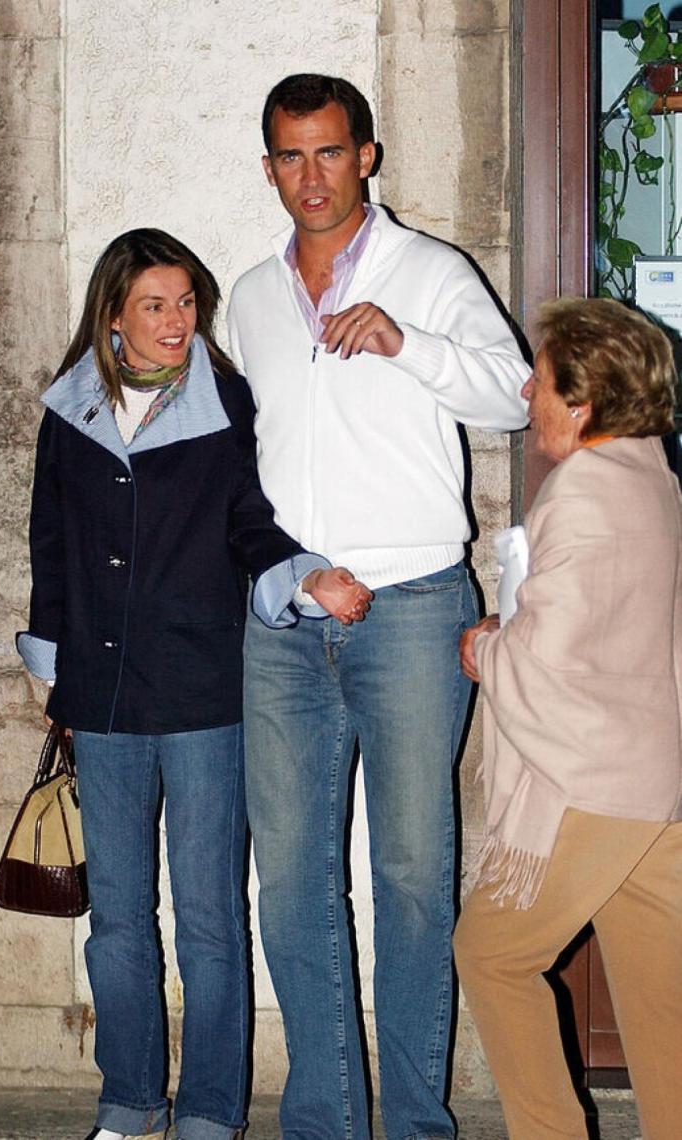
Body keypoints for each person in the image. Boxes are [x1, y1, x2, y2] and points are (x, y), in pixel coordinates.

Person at [226, 74, 530, 1140]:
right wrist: (279, 572)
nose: (311, 178)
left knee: (409, 879)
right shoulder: (253, 295)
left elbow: (513, 396)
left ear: (368, 155)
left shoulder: (431, 272)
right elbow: (242, 462)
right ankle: (324, 1122)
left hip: (410, 610)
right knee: (292, 885)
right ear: (269, 167)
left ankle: (415, 1125)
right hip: (287, 621)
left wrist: (409, 342)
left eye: (329, 153)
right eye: (290, 158)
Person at [16, 228, 372, 1140]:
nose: (177, 323)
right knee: (119, 921)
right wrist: (50, 661)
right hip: (100, 695)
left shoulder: (226, 405)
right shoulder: (70, 413)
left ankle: (213, 1109)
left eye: (186, 304)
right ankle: (130, 1102)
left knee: (211, 919)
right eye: (155, 306)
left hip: (206, 693)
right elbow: (48, 550)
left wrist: (301, 577)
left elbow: (250, 523)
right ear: (113, 317)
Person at [454, 297, 682, 1140]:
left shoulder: (585, 490)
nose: (525, 392)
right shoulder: (649, 474)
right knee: (660, 1007)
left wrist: (484, 650)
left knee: (490, 954)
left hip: (590, 780)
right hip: (653, 778)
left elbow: (551, 656)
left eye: (540, 380)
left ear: (580, 403)